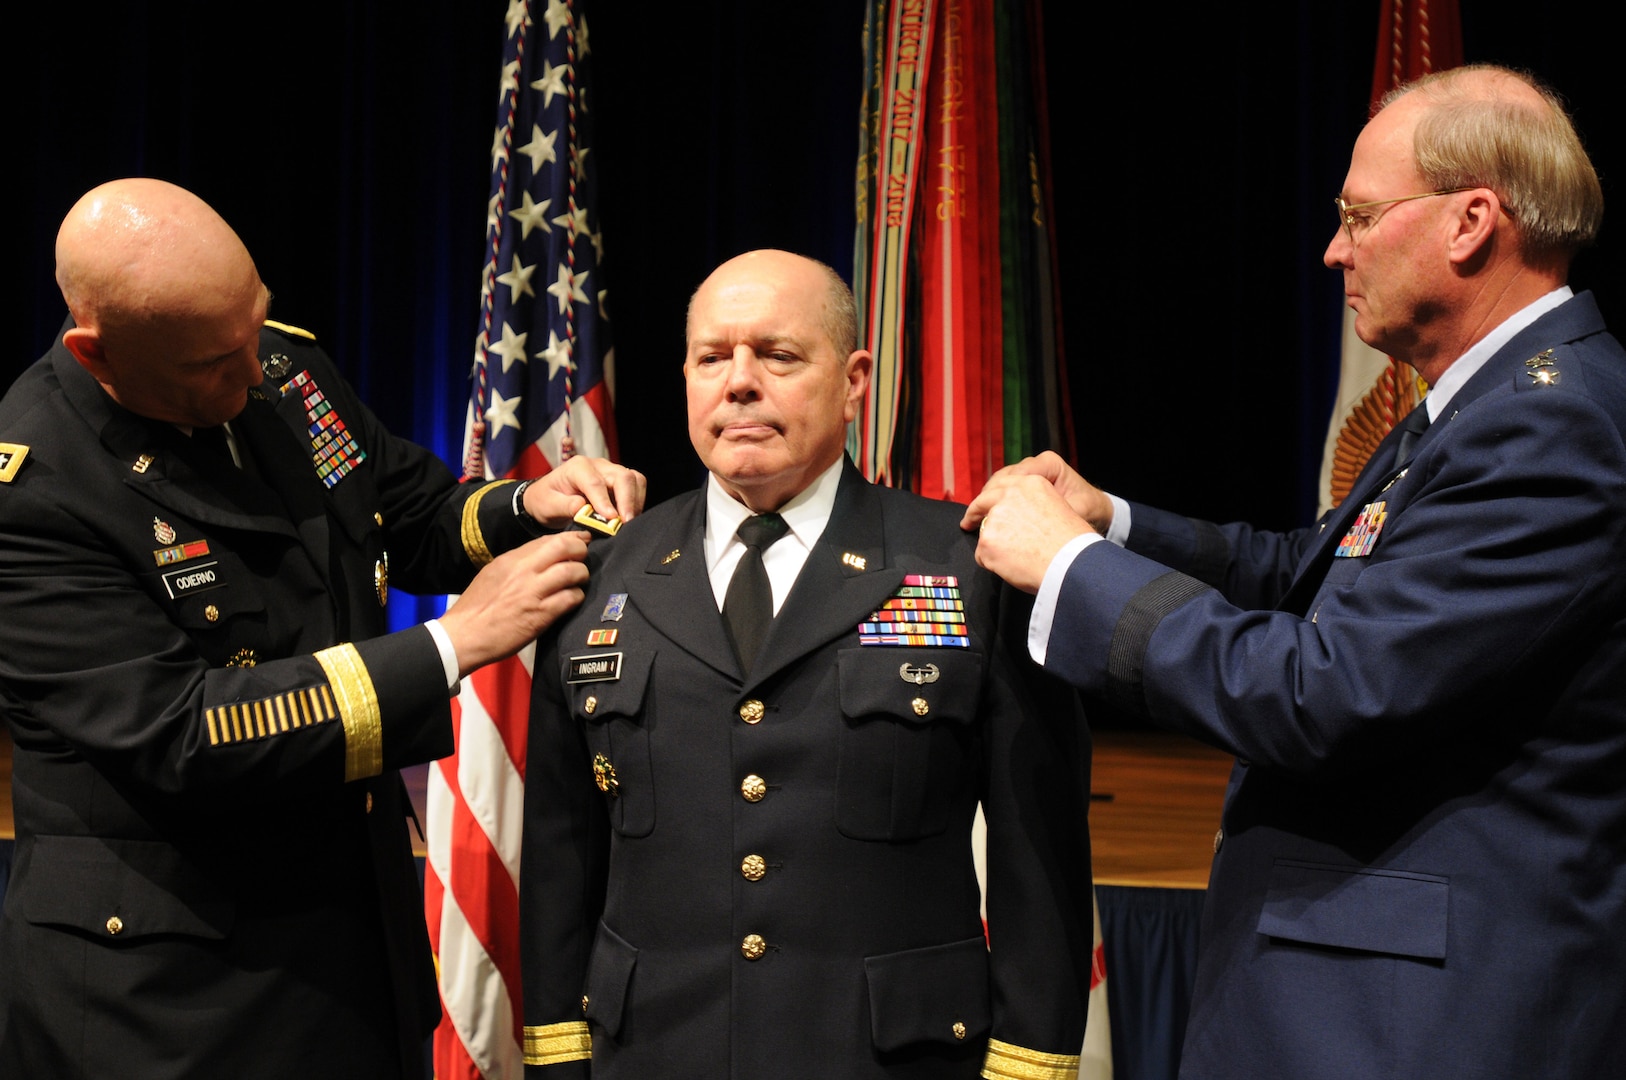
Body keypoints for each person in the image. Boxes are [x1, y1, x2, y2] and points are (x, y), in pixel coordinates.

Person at [964, 66, 1626, 1079]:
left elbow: (1328, 691)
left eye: (1360, 217)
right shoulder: (1487, 402)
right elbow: (1311, 575)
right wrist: (1117, 523)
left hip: (1415, 1028)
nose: (1334, 249)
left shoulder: (1553, 426)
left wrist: (1071, 567)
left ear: (1470, 223)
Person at [0, 178, 644, 1080]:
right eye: (211, 363)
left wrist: (526, 505)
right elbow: (186, 732)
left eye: (255, 325)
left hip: (348, 950)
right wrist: (453, 645)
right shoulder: (35, 492)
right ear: (95, 351)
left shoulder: (279, 368)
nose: (247, 370)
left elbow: (408, 514)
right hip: (166, 997)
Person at [519, 250, 1094, 1079]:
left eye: (778, 355)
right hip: (651, 1054)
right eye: (712, 357)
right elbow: (559, 851)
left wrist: (1029, 1063)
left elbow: (1038, 858)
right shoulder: (598, 570)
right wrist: (555, 1058)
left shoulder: (972, 568)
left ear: (855, 380)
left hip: (887, 1057)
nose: (740, 382)